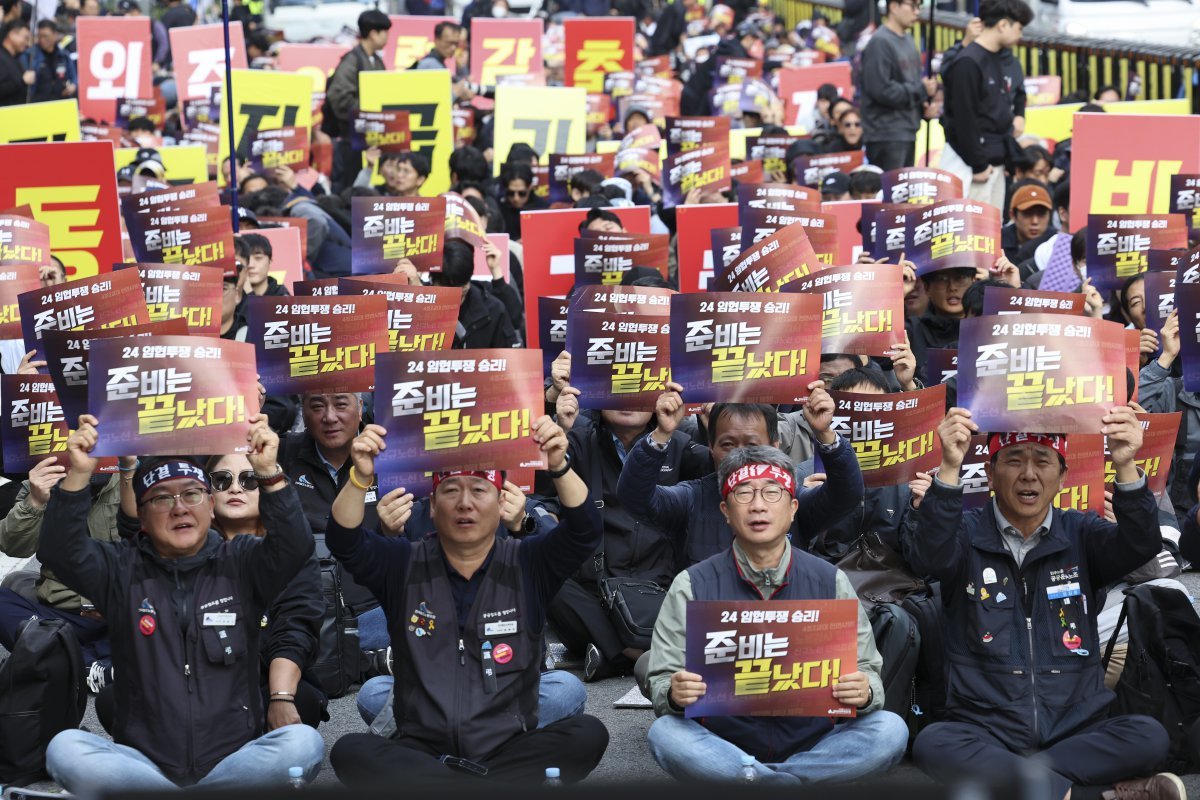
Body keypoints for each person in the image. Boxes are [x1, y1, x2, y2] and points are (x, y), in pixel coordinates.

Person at [907, 409, 1184, 800]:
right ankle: (1093, 795)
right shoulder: (965, 534)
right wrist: (950, 466)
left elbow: (1140, 544)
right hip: (986, 729)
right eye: (1015, 460)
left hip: (1075, 727)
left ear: (1063, 475)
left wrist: (1125, 464)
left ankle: (1028, 784)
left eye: (1042, 461)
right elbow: (929, 557)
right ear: (990, 473)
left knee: (1149, 736)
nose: (1029, 474)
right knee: (933, 743)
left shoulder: (1082, 533)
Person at [39, 415, 325, 791]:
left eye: (192, 494)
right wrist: (77, 475)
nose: (179, 508)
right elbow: (59, 551)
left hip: (235, 756)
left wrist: (269, 472)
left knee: (304, 743)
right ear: (140, 515)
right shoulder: (119, 568)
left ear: (210, 505)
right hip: (145, 761)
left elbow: (294, 546)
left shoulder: (241, 561)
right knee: (65, 748)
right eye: (161, 498)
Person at [326, 418, 610, 785]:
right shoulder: (401, 564)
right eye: (450, 491)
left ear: (500, 503)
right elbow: (343, 540)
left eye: (479, 490)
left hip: (507, 745)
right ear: (430, 507)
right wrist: (359, 475)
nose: (464, 503)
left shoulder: (529, 562)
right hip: (422, 746)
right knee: (350, 751)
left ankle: (448, 784)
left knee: (587, 734)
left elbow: (585, 530)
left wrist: (559, 463)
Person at [644, 445, 909, 783]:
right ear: (725, 510)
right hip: (722, 742)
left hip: (817, 742)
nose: (758, 505)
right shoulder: (692, 584)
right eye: (744, 494)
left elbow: (868, 669)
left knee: (889, 729)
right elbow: (663, 681)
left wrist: (866, 690)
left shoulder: (829, 580)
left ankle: (765, 781)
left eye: (772, 493)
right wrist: (674, 693)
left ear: (793, 507)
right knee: (665, 733)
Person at [547, 383, 713, 682]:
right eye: (617, 388)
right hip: (593, 591)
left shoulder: (679, 446)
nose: (627, 399)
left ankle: (611, 654)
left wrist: (713, 424)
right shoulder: (577, 438)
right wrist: (559, 426)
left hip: (660, 588)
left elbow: (726, 474)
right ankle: (631, 656)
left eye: (640, 389)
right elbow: (534, 488)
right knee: (542, 565)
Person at [618, 387, 865, 569]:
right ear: (711, 447)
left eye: (752, 444)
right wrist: (662, 433)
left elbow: (846, 495)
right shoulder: (691, 499)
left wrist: (824, 433)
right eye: (728, 444)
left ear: (775, 446)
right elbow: (635, 496)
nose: (741, 454)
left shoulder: (792, 499)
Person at [0, 456, 119, 688]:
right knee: (8, 593)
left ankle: (57, 657)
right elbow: (13, 546)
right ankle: (89, 664)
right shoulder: (43, 482)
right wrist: (35, 501)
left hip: (119, 612)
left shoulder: (130, 481)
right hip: (62, 614)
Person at [939, 0, 1033, 210]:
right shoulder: (968, 62)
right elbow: (963, 120)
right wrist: (979, 164)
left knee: (993, 233)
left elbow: (1014, 96)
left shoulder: (1000, 58)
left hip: (995, 162)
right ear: (1003, 25)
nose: (1021, 35)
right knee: (972, 234)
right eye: (1019, 28)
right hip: (972, 167)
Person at [859, 0, 937, 171]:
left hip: (908, 129)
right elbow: (881, 90)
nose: (917, 12)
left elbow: (911, 83)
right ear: (894, 6)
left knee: (904, 195)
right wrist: (921, 89)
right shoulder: (880, 42)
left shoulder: (909, 40)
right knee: (891, 193)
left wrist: (923, 106)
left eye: (919, 7)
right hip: (886, 133)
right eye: (913, 6)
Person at [326, 10, 391, 191]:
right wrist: (365, 116)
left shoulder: (376, 60)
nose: (387, 37)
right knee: (349, 189)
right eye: (385, 32)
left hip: (369, 138)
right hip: (350, 140)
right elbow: (338, 96)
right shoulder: (352, 60)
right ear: (373, 33)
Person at [429, 239, 520, 349]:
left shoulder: (492, 308)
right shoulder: (418, 305)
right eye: (450, 288)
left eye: (463, 285)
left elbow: (515, 320)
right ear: (433, 282)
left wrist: (496, 270)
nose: (458, 292)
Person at [235, 233, 289, 315]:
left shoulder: (283, 298)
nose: (251, 265)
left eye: (258, 258)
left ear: (270, 262)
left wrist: (249, 293)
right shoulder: (230, 296)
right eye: (247, 259)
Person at [1001, 182, 1054, 264]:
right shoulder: (998, 240)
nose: (1035, 221)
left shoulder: (1056, 243)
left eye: (1041, 214)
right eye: (1028, 214)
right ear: (1013, 215)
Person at [23, 18, 73, 102]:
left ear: (55, 35)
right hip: (37, 104)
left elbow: (73, 78)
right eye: (39, 36)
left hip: (61, 102)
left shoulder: (64, 56)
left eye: (45, 36)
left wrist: (72, 87)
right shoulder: (29, 55)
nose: (42, 40)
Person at [355, 150, 430, 196]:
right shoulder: (380, 202)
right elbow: (355, 194)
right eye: (398, 169)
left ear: (420, 179)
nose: (399, 175)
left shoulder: (428, 207)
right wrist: (369, 167)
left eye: (406, 171)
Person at [0, 19, 33, 106]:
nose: (27, 44)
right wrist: (22, 81)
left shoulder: (16, 58)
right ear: (12, 34)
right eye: (25, 38)